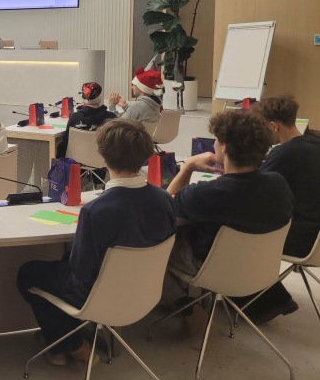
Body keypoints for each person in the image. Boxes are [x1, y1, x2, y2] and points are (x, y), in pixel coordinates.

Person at [17, 120, 176, 366]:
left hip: (96, 296)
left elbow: (80, 270)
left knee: (28, 273)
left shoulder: (96, 211)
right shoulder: (165, 200)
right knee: (63, 263)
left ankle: (71, 344)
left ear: (103, 155)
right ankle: (62, 343)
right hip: (144, 292)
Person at [165, 111, 294, 312]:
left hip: (211, 270)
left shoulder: (204, 194)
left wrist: (188, 166)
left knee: (167, 237)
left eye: (216, 140)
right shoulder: (279, 183)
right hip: (260, 270)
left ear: (224, 147)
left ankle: (180, 303)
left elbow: (164, 206)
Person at [237, 96, 320, 322]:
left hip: (300, 238)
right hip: (315, 235)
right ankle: (271, 299)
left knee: (232, 234)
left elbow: (250, 189)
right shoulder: (314, 144)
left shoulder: (284, 153)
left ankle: (264, 303)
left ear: (273, 126)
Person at [56, 82, 116, 158]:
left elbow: (65, 144)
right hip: (103, 162)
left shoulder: (75, 118)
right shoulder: (111, 119)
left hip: (77, 161)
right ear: (100, 97)